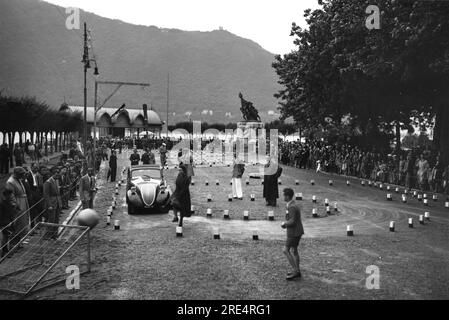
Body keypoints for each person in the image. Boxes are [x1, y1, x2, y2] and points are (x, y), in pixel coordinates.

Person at [281, 188, 304, 280]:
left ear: (287, 196)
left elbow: (293, 221)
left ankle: (296, 271)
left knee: (285, 250)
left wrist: (284, 224)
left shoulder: (291, 207)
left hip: (293, 232)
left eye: (284, 195)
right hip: (297, 231)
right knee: (294, 251)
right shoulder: (292, 205)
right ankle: (297, 270)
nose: (283, 197)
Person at [4, 167, 30, 247]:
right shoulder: (10, 182)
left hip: (23, 202)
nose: (23, 176)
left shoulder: (18, 179)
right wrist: (16, 206)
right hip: (18, 205)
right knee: (17, 225)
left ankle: (18, 242)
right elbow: (10, 196)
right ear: (17, 174)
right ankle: (12, 245)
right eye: (22, 174)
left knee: (22, 224)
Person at [43, 167, 62, 239]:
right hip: (52, 203)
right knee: (51, 220)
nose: (57, 176)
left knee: (56, 219)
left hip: (57, 202)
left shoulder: (56, 181)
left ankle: (54, 234)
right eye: (56, 174)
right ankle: (48, 235)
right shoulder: (48, 182)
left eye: (58, 174)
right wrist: (49, 205)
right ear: (52, 174)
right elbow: (46, 195)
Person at [1, 188, 15, 257]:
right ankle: (4, 250)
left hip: (9, 221)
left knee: (7, 237)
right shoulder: (2, 204)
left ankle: (6, 249)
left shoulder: (9, 203)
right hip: (5, 223)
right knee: (5, 236)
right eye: (10, 195)